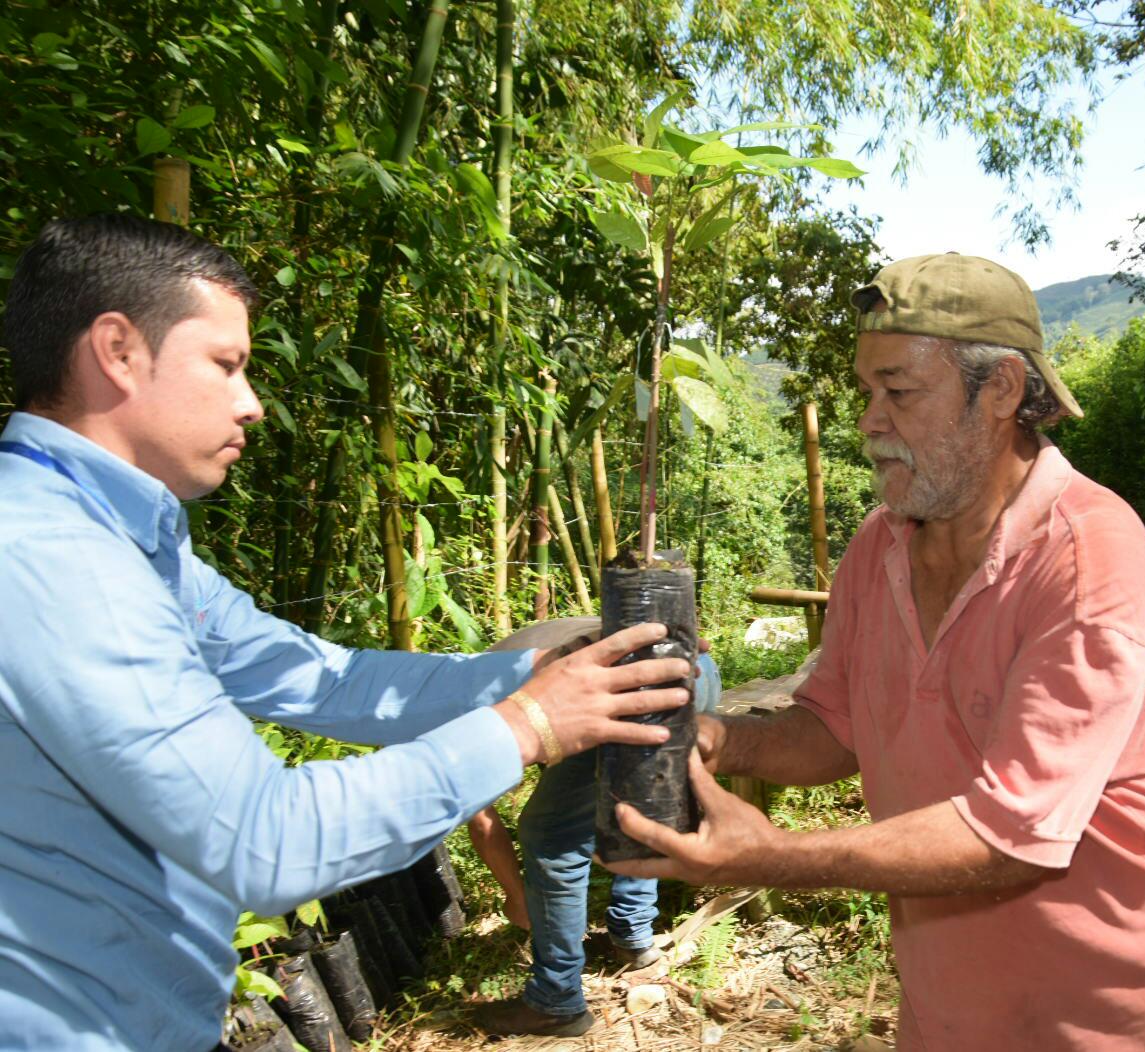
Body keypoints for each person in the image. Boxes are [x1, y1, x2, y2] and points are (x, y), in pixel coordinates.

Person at [0, 215, 693, 1052]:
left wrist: (535, 674)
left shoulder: (129, 543)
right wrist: (530, 726)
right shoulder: (52, 558)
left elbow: (322, 680)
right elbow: (262, 841)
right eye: (226, 365)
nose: (251, 403)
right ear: (117, 351)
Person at [606, 253, 1145, 1050]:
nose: (869, 419)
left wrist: (773, 857)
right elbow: (835, 727)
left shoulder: (1087, 556)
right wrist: (714, 741)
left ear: (1001, 390)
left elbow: (1011, 833)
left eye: (898, 391)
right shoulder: (880, 546)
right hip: (950, 1010)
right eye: (867, 393)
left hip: (1110, 1015)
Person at [472, 617, 722, 1038]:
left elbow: (481, 819)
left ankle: (556, 1002)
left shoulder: (449, 720)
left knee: (551, 835)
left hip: (630, 686)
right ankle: (633, 937)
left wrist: (518, 898)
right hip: (694, 670)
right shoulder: (479, 673)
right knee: (634, 809)